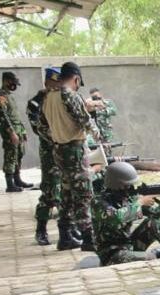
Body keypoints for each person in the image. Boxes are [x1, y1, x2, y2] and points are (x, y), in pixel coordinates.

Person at [40, 61, 101, 251]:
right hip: (74, 149)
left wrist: (58, 135)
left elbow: (42, 127)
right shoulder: (69, 94)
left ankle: (65, 235)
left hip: (58, 149)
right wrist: (95, 131)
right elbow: (82, 119)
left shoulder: (48, 97)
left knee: (66, 192)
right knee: (83, 192)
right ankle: (88, 238)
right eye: (78, 83)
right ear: (76, 78)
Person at [92, 161, 160, 266]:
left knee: (152, 222)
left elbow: (157, 213)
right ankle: (151, 254)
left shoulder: (128, 197)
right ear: (118, 185)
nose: (131, 187)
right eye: (127, 185)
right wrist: (140, 203)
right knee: (151, 257)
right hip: (111, 254)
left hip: (129, 244)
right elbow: (117, 218)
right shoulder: (99, 202)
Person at [27, 67, 68, 247]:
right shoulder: (36, 102)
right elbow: (39, 128)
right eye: (55, 83)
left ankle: (65, 231)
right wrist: (61, 135)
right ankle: (41, 229)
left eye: (60, 83)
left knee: (67, 192)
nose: (58, 86)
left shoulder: (64, 98)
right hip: (50, 152)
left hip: (66, 151)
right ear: (47, 83)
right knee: (49, 191)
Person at [0, 71, 32, 192]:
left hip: (17, 129)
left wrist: (23, 131)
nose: (14, 85)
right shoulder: (1, 96)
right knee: (10, 155)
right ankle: (10, 184)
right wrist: (11, 132)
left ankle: (17, 179)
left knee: (18, 154)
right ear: (6, 81)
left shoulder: (9, 95)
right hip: (10, 130)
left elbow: (15, 115)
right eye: (12, 82)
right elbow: (3, 115)